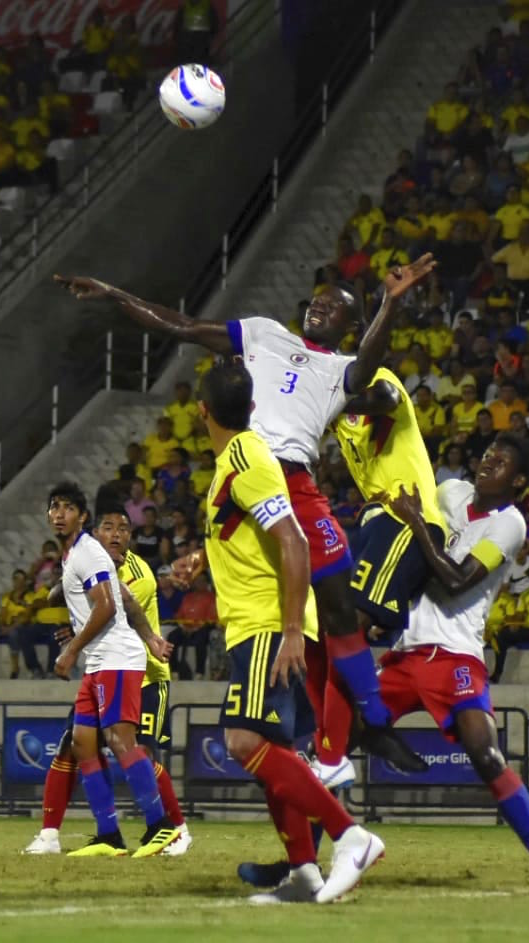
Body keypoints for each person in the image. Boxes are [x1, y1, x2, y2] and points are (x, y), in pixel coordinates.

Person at [56, 261, 438, 774]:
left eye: (338, 306)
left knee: (340, 611)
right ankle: (319, 735)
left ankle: (370, 723)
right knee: (298, 618)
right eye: (319, 298)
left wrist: (391, 303)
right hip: (247, 470)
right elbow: (183, 327)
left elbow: (370, 361)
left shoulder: (340, 370)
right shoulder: (264, 333)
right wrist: (113, 291)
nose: (322, 306)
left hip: (297, 483)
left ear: (351, 325)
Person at [175, 361, 384, 903]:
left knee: (244, 742)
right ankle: (304, 874)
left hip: (269, 624)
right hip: (261, 622)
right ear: (250, 408)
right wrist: (205, 555)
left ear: (202, 411)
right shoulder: (239, 460)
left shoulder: (245, 457)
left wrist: (291, 631)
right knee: (273, 750)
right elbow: (254, 530)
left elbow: (293, 541)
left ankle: (350, 836)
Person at [377, 435, 529, 895]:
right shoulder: (450, 493)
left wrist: (417, 527)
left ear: (519, 481)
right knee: (335, 739)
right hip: (406, 651)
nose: (488, 464)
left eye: (501, 462)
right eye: (487, 456)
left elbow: (456, 580)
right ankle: (299, 866)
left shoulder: (510, 525)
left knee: (485, 754)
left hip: (456, 654)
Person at [24, 494, 189, 857]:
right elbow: (123, 598)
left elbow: (110, 605)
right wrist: (151, 637)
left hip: (117, 659)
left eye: (68, 508)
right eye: (54, 507)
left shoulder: (89, 553)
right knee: (82, 741)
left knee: (121, 741)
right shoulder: (77, 556)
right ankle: (109, 835)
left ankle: (164, 828)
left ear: (82, 518)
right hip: (100, 662)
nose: (60, 514)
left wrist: (71, 649)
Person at [327, 363, 446, 787]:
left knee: (348, 624)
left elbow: (387, 401)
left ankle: (368, 725)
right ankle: (349, 734)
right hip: (378, 521)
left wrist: (329, 396)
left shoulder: (377, 379)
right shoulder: (340, 415)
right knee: (332, 625)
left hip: (407, 517)